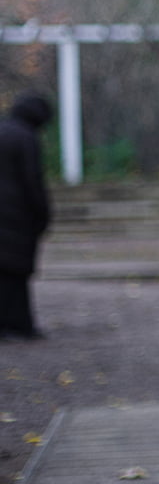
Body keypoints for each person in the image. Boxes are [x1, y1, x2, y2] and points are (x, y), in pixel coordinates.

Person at [0, 93, 54, 341]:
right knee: (16, 275)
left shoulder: (5, 131)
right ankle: (19, 324)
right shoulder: (25, 137)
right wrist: (43, 214)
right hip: (16, 217)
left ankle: (13, 324)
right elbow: (33, 181)